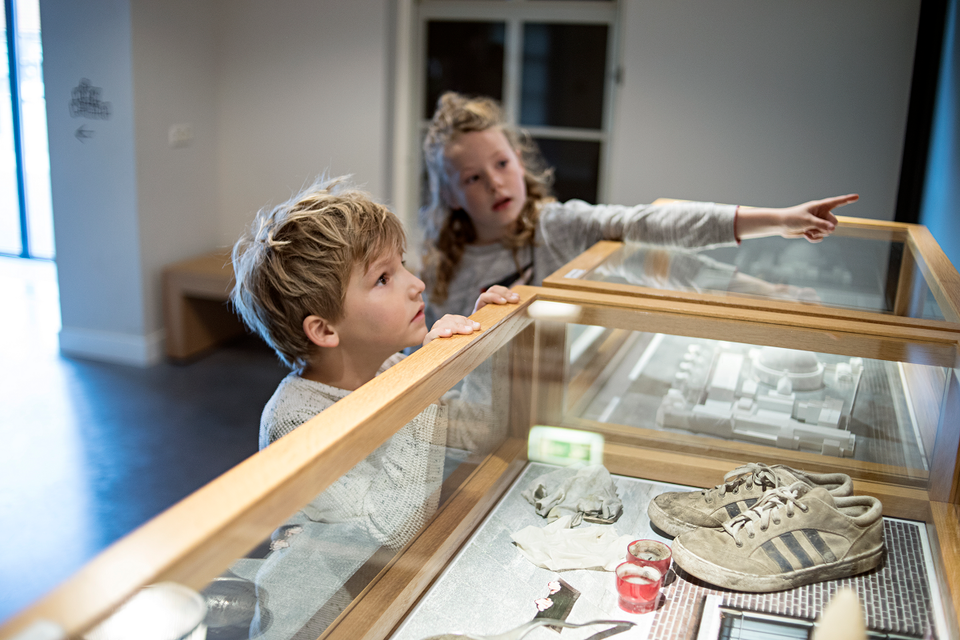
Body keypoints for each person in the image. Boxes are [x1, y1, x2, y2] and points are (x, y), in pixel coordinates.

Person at [229, 176, 517, 638]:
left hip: (385, 594)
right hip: (323, 620)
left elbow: (477, 431)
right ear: (324, 330)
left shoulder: (389, 366)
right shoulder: (295, 418)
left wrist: (488, 346)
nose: (416, 283)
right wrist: (425, 376)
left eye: (401, 265)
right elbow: (391, 529)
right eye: (383, 278)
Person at [419, 91, 860, 326]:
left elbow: (652, 227)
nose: (496, 183)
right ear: (451, 194)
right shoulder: (438, 266)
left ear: (519, 158)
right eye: (473, 178)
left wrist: (779, 220)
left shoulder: (556, 226)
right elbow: (427, 350)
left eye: (501, 163)